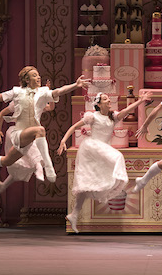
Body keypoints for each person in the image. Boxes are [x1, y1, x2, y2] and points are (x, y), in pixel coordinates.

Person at [0, 66, 88, 183]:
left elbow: (58, 91)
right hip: (19, 134)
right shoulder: (17, 92)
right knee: (40, 130)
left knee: (7, 161)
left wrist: (74, 85)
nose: (38, 77)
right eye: (34, 75)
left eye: (38, 75)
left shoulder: (42, 92)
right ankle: (48, 165)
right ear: (27, 80)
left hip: (30, 139)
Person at [58, 90, 152, 233]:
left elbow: (127, 110)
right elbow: (74, 127)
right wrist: (63, 141)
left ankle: (74, 214)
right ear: (99, 104)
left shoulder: (112, 117)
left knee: (87, 183)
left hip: (102, 149)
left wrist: (141, 100)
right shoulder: (93, 117)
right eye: (106, 99)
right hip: (92, 147)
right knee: (117, 157)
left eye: (109, 99)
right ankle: (119, 179)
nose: (109, 101)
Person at [0, 80, 56, 199]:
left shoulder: (37, 102)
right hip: (18, 133)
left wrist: (49, 95)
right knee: (31, 152)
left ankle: (3, 185)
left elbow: (50, 107)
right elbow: (2, 113)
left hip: (33, 132)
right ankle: (39, 167)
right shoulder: (18, 101)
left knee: (22, 165)